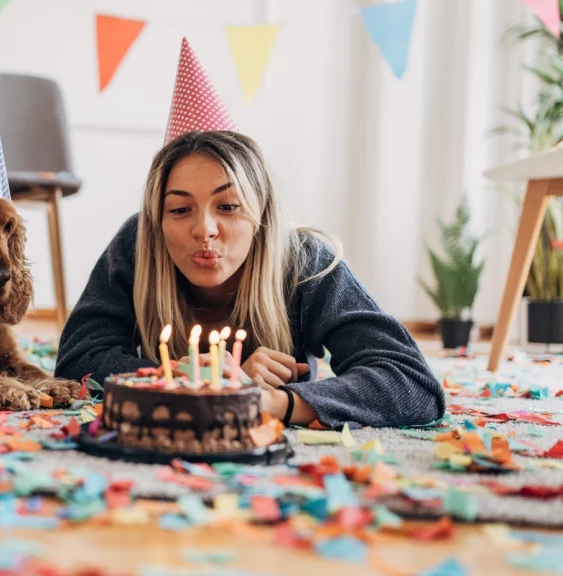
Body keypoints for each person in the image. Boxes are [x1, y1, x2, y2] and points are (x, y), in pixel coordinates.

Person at [53, 39, 445, 429]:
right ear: (158, 220)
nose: (204, 230)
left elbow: (412, 383)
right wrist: (176, 376)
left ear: (262, 216)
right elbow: (79, 359)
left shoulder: (306, 261)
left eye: (228, 206)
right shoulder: (138, 243)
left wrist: (270, 400)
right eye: (179, 209)